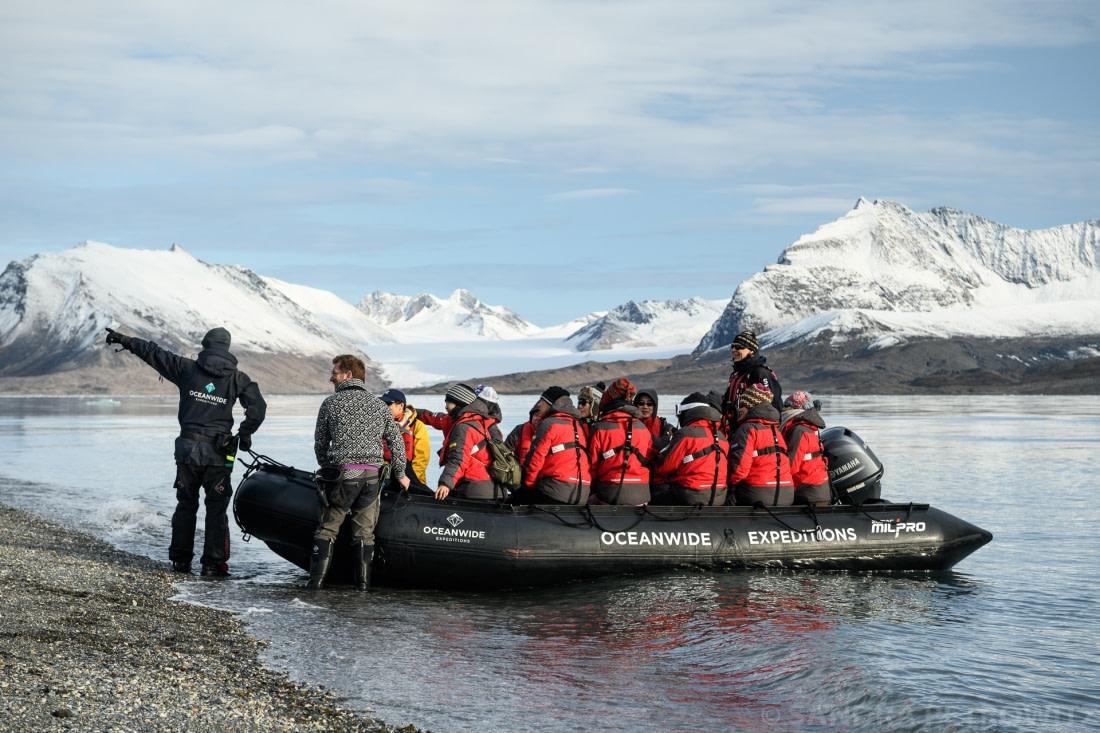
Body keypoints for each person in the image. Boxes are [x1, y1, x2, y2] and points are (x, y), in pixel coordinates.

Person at [104, 326, 266, 576]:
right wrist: (244, 435)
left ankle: (181, 562)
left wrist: (125, 340)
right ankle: (213, 565)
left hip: (187, 451)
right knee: (216, 510)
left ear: (205, 344)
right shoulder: (238, 379)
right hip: (219, 454)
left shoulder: (187, 369)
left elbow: (154, 353)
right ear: (226, 348)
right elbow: (258, 408)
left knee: (186, 506)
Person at [310, 355, 410, 590]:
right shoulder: (379, 406)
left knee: (327, 529)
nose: (330, 377)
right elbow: (397, 443)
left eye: (334, 372)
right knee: (365, 534)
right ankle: (363, 589)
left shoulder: (331, 403)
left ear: (347, 375)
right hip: (372, 477)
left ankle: (315, 587)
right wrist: (400, 473)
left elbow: (320, 444)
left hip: (345, 475)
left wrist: (327, 469)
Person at [515, 388, 591, 505]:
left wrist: (526, 487)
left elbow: (536, 459)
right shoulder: (578, 425)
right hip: (583, 493)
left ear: (551, 404)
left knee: (517, 498)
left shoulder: (549, 423)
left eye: (542, 401)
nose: (539, 405)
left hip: (556, 490)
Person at [652, 393, 729, 506]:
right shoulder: (721, 437)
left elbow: (665, 466)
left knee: (656, 495)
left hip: (691, 495)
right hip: (719, 497)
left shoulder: (686, 434)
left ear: (686, 413)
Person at [588, 377, 655, 505]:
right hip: (641, 494)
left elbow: (592, 465)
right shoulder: (642, 428)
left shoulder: (600, 428)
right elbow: (649, 459)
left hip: (609, 492)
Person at [728, 384, 794, 507]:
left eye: (742, 405)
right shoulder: (776, 430)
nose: (739, 409)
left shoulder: (747, 429)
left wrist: (726, 486)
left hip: (758, 494)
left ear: (750, 407)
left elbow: (739, 470)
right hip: (787, 495)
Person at [432, 384, 500, 501]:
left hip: (473, 488)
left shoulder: (463, 427)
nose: (446, 406)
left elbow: (458, 459)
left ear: (459, 404)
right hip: (492, 488)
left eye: (448, 402)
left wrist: (446, 483)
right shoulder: (481, 422)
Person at [722, 330, 782, 430]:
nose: (733, 350)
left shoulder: (760, 373)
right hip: (735, 430)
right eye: (732, 346)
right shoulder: (736, 375)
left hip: (756, 431)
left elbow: (771, 406)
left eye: (739, 347)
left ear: (752, 350)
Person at [781, 390, 831, 506]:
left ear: (796, 408)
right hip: (818, 489)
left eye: (787, 406)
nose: (784, 409)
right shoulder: (810, 427)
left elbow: (791, 466)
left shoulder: (799, 430)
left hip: (808, 493)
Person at [380, 388, 431, 486]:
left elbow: (421, 459)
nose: (384, 407)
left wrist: (413, 483)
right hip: (383, 478)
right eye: (382, 403)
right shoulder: (377, 425)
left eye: (388, 403)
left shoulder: (417, 426)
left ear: (401, 406)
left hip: (410, 479)